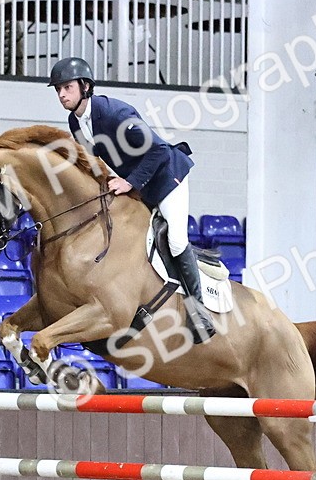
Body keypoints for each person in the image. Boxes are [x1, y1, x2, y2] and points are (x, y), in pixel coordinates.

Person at [47, 57, 216, 341]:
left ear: (85, 86)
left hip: (166, 176)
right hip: (138, 183)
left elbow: (158, 150)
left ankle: (199, 314)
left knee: (176, 240)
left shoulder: (115, 113)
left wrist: (128, 182)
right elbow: (95, 159)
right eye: (58, 90)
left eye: (67, 87)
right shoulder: (75, 121)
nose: (61, 94)